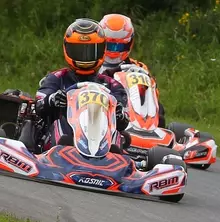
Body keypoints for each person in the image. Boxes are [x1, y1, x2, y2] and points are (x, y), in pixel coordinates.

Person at [35, 18, 129, 150]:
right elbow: (38, 106)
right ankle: (62, 151)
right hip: (63, 143)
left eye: (91, 51)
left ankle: (110, 157)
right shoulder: (56, 79)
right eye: (79, 51)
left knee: (118, 137)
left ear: (102, 50)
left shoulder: (112, 85)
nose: (85, 58)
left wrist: (119, 113)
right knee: (60, 130)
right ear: (67, 49)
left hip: (104, 145)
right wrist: (52, 100)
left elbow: (124, 122)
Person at [98, 13, 166, 127]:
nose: (113, 51)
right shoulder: (93, 64)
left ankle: (149, 128)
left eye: (118, 47)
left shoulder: (138, 67)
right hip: (103, 108)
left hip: (131, 109)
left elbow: (153, 94)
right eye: (109, 45)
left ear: (129, 44)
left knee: (160, 108)